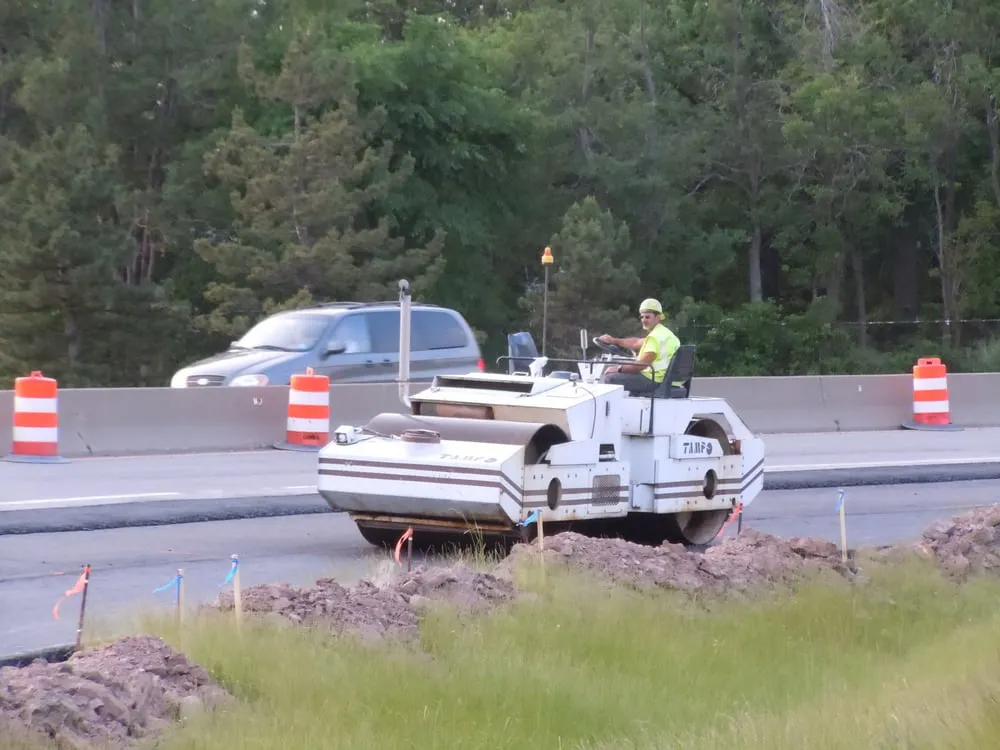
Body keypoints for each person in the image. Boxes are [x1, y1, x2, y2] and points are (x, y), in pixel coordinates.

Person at [598, 298, 680, 394]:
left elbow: (640, 366)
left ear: (658, 317)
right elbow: (636, 342)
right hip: (665, 380)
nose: (643, 320)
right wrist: (613, 340)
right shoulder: (666, 334)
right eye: (642, 317)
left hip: (653, 380)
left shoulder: (654, 338)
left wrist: (618, 368)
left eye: (647, 317)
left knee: (610, 378)